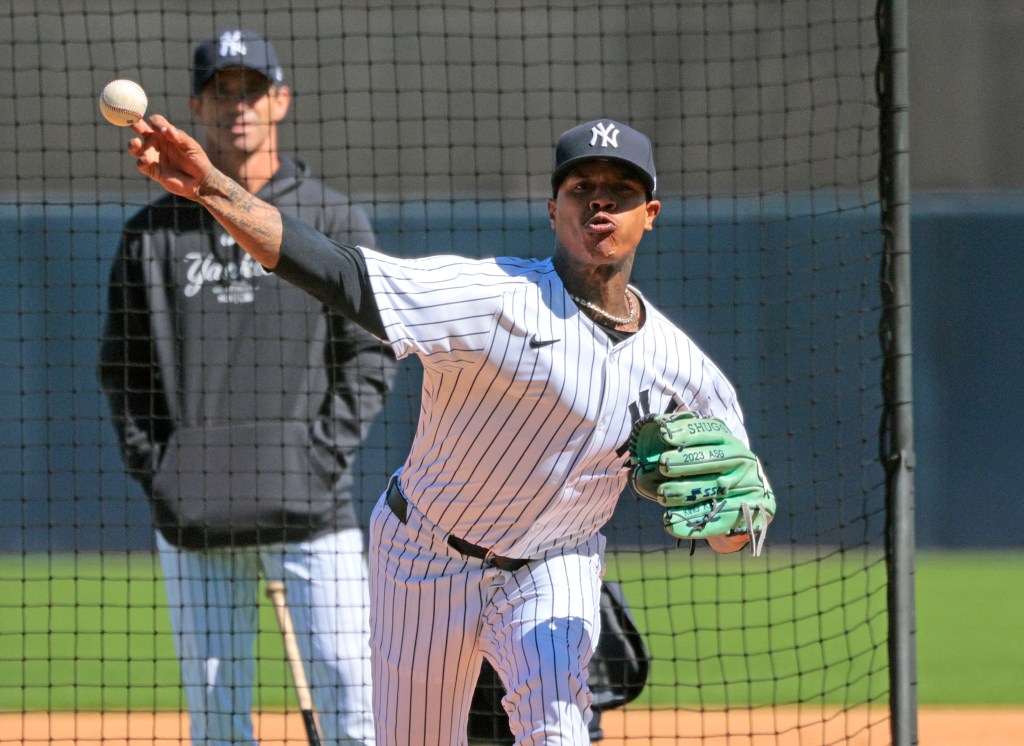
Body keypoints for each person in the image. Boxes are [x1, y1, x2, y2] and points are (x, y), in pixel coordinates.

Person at [123, 110, 771, 745]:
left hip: (555, 564)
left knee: (559, 730)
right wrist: (212, 187)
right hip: (426, 556)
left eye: (621, 191)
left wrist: (728, 529)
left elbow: (736, 529)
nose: (599, 203)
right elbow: (340, 273)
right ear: (554, 209)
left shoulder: (686, 371)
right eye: (582, 188)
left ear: (649, 214)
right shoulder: (492, 297)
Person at [99, 29, 395, 746]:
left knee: (357, 711)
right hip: (196, 518)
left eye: (253, 90)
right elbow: (124, 373)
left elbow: (371, 352)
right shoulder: (153, 232)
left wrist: (319, 457)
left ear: (281, 101)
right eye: (222, 92)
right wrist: (167, 475)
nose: (239, 106)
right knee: (219, 725)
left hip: (313, 511)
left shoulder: (328, 219)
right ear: (197, 107)